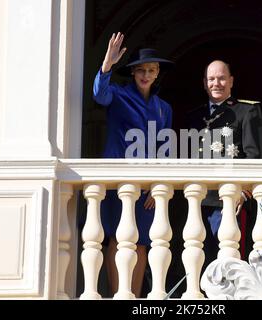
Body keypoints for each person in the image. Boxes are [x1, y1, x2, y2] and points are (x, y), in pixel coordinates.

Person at [92, 32, 174, 297]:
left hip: (148, 184)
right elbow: (99, 94)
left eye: (151, 70)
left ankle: (135, 297)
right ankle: (119, 294)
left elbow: (165, 148)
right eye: (141, 70)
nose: (146, 75)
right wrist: (107, 65)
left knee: (142, 243)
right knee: (118, 239)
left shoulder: (164, 108)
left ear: (158, 72)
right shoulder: (117, 94)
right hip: (119, 178)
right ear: (133, 72)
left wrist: (157, 185)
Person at [187, 59, 262, 266]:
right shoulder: (194, 116)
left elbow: (253, 156)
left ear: (231, 81)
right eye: (211, 79)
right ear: (204, 83)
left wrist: (243, 192)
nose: (216, 83)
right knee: (199, 257)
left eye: (222, 78)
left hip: (229, 198)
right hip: (199, 198)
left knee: (229, 259)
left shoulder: (247, 111)